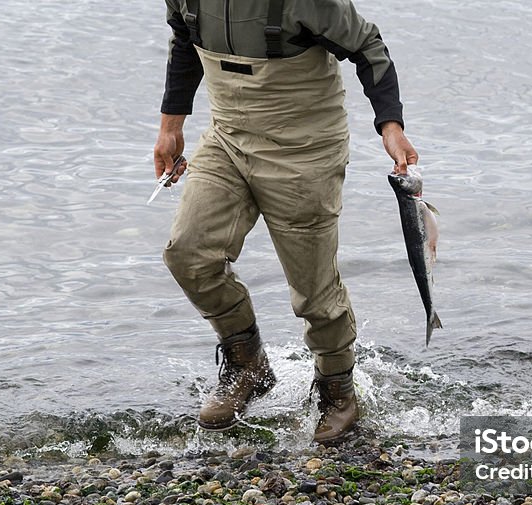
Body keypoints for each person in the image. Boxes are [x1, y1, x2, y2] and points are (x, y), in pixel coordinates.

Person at [154, 0, 418, 444]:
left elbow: (369, 46)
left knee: (314, 291)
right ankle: (247, 365)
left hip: (305, 148)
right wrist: (170, 125)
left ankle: (338, 392)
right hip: (227, 136)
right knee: (188, 254)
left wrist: (390, 127)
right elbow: (185, 39)